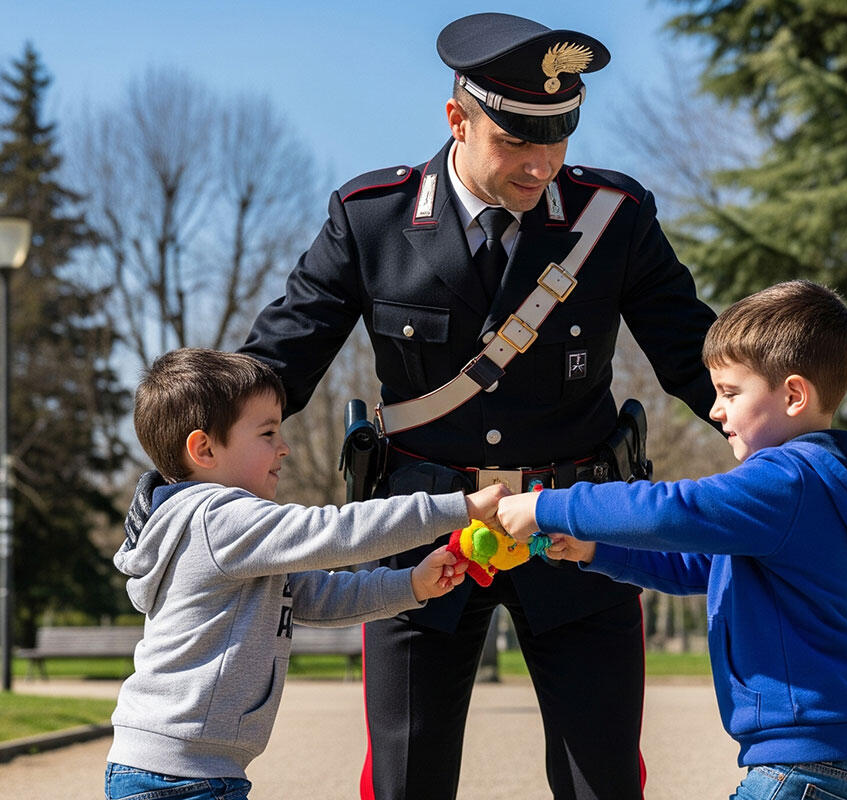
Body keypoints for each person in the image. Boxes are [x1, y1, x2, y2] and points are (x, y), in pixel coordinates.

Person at [239, 11, 721, 798]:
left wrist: (797, 450)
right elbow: (274, 364)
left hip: (576, 525)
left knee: (603, 782)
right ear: (458, 118)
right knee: (405, 781)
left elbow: (698, 361)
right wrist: (185, 459)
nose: (542, 166)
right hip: (420, 533)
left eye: (558, 138)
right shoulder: (372, 220)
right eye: (517, 143)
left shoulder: (614, 219)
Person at [498, 280, 847, 800]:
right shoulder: (823, 481)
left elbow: (675, 511)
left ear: (795, 395)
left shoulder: (787, 481)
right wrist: (598, 550)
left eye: (731, 393)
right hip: (842, 752)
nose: (715, 410)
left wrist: (548, 505)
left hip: (807, 760)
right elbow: (709, 565)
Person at [104, 348, 506, 800]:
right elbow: (335, 532)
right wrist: (457, 507)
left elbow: (318, 597)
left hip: (185, 769)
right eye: (268, 432)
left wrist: (410, 584)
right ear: (204, 449)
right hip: (179, 776)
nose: (284, 447)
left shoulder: (235, 540)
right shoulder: (215, 518)